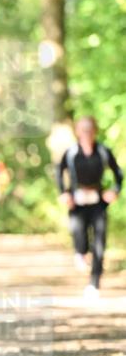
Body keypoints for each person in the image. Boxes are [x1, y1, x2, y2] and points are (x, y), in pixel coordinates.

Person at [56, 116, 122, 300]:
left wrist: (114, 191)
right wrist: (64, 193)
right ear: (77, 131)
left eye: (89, 129)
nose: (86, 132)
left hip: (98, 202)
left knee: (99, 243)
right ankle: (80, 253)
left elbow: (118, 173)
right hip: (77, 203)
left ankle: (94, 283)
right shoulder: (71, 153)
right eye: (82, 129)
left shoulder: (102, 151)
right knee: (80, 238)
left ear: (95, 131)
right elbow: (59, 171)